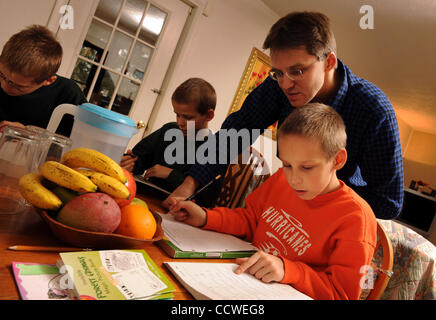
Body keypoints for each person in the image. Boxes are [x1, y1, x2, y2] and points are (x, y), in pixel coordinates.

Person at [166, 11, 404, 220]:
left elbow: (388, 202)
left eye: (298, 71)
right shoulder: (277, 85)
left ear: (328, 61)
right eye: (278, 72)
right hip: (286, 210)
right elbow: (236, 132)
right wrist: (189, 185)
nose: (285, 84)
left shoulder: (374, 109)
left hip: (339, 217)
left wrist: (319, 198)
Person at [168, 103, 377, 300]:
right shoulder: (280, 180)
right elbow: (250, 220)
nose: (294, 179)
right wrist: (206, 217)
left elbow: (342, 294)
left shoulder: (356, 217)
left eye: (307, 167)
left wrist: (288, 270)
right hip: (241, 281)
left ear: (337, 160)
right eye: (287, 164)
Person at [120, 78, 223, 208]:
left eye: (188, 117)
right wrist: (131, 162)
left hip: (174, 211)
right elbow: (140, 157)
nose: (180, 122)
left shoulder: (215, 151)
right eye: (177, 115)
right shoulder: (169, 130)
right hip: (142, 197)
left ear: (209, 115)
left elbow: (206, 199)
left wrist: (170, 174)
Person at [0, 25, 86, 137]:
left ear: (48, 80)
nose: (4, 86)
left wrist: (29, 133)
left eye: (17, 86)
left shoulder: (68, 93)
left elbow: (79, 141)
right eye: (1, 75)